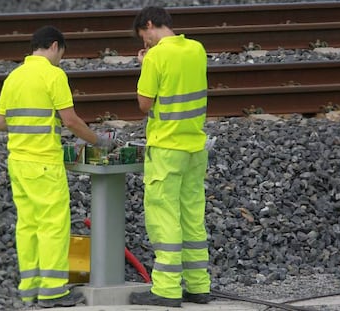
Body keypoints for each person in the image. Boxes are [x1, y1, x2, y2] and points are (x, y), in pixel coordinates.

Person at [0, 25, 111, 308]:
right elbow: (70, 120)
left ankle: (29, 288)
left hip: (18, 164)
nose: (61, 59)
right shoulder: (53, 74)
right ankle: (52, 291)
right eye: (62, 53)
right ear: (55, 46)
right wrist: (99, 141)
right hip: (44, 163)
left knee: (28, 226)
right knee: (52, 227)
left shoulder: (14, 76)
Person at [129, 6, 211, 308]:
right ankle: (199, 286)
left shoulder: (157, 56)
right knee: (192, 216)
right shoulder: (197, 49)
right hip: (195, 147)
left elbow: (144, 104)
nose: (146, 43)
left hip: (166, 149)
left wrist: (145, 64)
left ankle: (165, 290)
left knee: (164, 218)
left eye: (144, 37)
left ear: (150, 24)